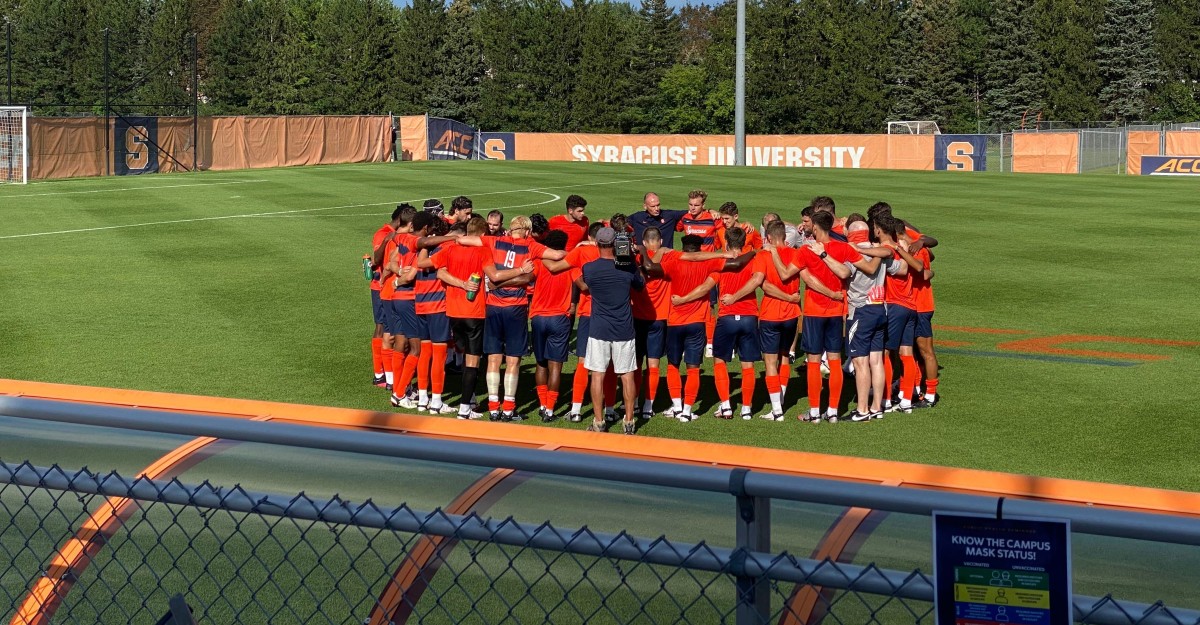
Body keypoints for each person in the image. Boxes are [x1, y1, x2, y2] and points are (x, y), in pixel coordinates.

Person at [458, 216, 567, 422]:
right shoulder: (531, 246)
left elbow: (464, 240)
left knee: (493, 359)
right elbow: (557, 254)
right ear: (526, 231)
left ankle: (493, 408)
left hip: (493, 306)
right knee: (513, 360)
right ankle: (508, 409)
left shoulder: (494, 241)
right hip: (515, 307)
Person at [431, 216, 532, 420]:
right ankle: (465, 408)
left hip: (452, 311)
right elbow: (494, 277)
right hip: (475, 312)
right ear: (484, 234)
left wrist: (459, 283)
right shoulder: (483, 250)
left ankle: (437, 402)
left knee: (461, 357)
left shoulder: (450, 249)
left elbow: (437, 271)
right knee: (473, 363)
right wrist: (521, 270)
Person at [645, 235, 754, 422]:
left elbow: (650, 269)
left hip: (675, 322)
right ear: (700, 249)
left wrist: (641, 251)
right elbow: (736, 264)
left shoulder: (673, 262)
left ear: (683, 247)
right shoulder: (708, 264)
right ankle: (687, 411)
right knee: (693, 368)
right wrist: (753, 252)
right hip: (697, 322)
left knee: (672, 365)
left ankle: (676, 406)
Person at [755, 221, 839, 421]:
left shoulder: (763, 255)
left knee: (770, 362)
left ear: (768, 238)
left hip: (770, 314)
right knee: (785, 357)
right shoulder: (796, 254)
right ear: (784, 236)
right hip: (792, 315)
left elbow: (764, 285)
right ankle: (782, 400)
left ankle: (776, 410)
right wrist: (830, 293)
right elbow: (808, 279)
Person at [678, 227, 765, 420]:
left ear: (725, 241)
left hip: (726, 317)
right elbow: (758, 281)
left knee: (719, 361)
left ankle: (726, 406)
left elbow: (706, 287)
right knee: (748, 364)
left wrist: (683, 298)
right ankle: (747, 409)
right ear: (744, 242)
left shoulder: (720, 261)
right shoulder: (753, 259)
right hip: (750, 316)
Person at [581, 227, 646, 434]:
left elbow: (588, 284)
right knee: (627, 374)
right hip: (623, 329)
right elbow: (640, 285)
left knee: (597, 375)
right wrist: (635, 261)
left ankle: (599, 421)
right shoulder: (627, 268)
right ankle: (629, 421)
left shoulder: (589, 269)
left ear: (597, 244)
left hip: (599, 328)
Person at [841, 215, 904, 422]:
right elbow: (902, 269)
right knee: (876, 361)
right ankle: (877, 406)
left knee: (860, 363)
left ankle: (862, 409)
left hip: (860, 310)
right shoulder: (879, 251)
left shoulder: (851, 252)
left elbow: (843, 273)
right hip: (880, 309)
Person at [873, 212, 924, 413]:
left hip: (895, 305)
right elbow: (919, 267)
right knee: (906, 353)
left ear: (878, 229)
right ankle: (905, 400)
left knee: (885, 353)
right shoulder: (905, 246)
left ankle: (885, 399)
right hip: (911, 305)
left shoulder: (887, 249)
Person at [412, 215, 462, 414]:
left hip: (420, 304)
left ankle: (423, 398)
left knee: (425, 354)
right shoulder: (448, 247)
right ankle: (437, 402)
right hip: (438, 306)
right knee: (439, 356)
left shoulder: (423, 247)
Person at [530, 231, 574, 421]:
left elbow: (529, 280)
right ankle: (549, 410)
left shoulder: (540, 262)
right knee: (555, 366)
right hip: (559, 318)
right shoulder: (570, 262)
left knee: (540, 363)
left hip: (538, 317)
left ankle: (541, 404)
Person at [374, 205, 416, 397]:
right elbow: (385, 261)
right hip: (393, 292)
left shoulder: (395, 237)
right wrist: (394, 276)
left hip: (391, 290)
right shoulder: (394, 238)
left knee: (392, 335)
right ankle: (393, 382)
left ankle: (392, 381)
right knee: (394, 337)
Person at [631, 228, 671, 419]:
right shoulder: (669, 257)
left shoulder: (636, 258)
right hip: (660, 317)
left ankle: (634, 403)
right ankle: (648, 405)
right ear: (660, 240)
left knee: (636, 363)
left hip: (637, 316)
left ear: (644, 243)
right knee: (653, 364)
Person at [368, 206, 403, 388]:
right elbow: (377, 259)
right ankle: (379, 373)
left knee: (387, 329)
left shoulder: (393, 234)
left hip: (387, 286)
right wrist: (387, 241)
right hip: (380, 286)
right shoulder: (383, 234)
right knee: (382, 328)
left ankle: (384, 372)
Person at [911, 232, 939, 408]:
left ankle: (930, 395)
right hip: (911, 306)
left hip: (921, 306)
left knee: (925, 350)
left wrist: (921, 242)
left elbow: (924, 272)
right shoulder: (911, 247)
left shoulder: (915, 248)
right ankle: (914, 388)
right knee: (911, 351)